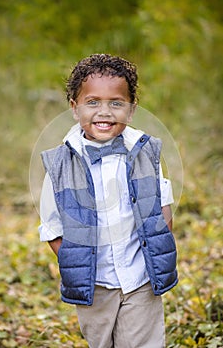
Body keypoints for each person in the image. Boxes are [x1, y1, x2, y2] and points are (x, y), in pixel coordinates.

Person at [38, 53, 178, 348]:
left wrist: (151, 255)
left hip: (140, 278)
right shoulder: (60, 165)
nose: (105, 112)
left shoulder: (146, 152)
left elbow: (162, 208)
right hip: (95, 284)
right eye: (93, 102)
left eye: (116, 103)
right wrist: (80, 264)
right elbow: (52, 228)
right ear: (75, 109)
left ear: (131, 109)